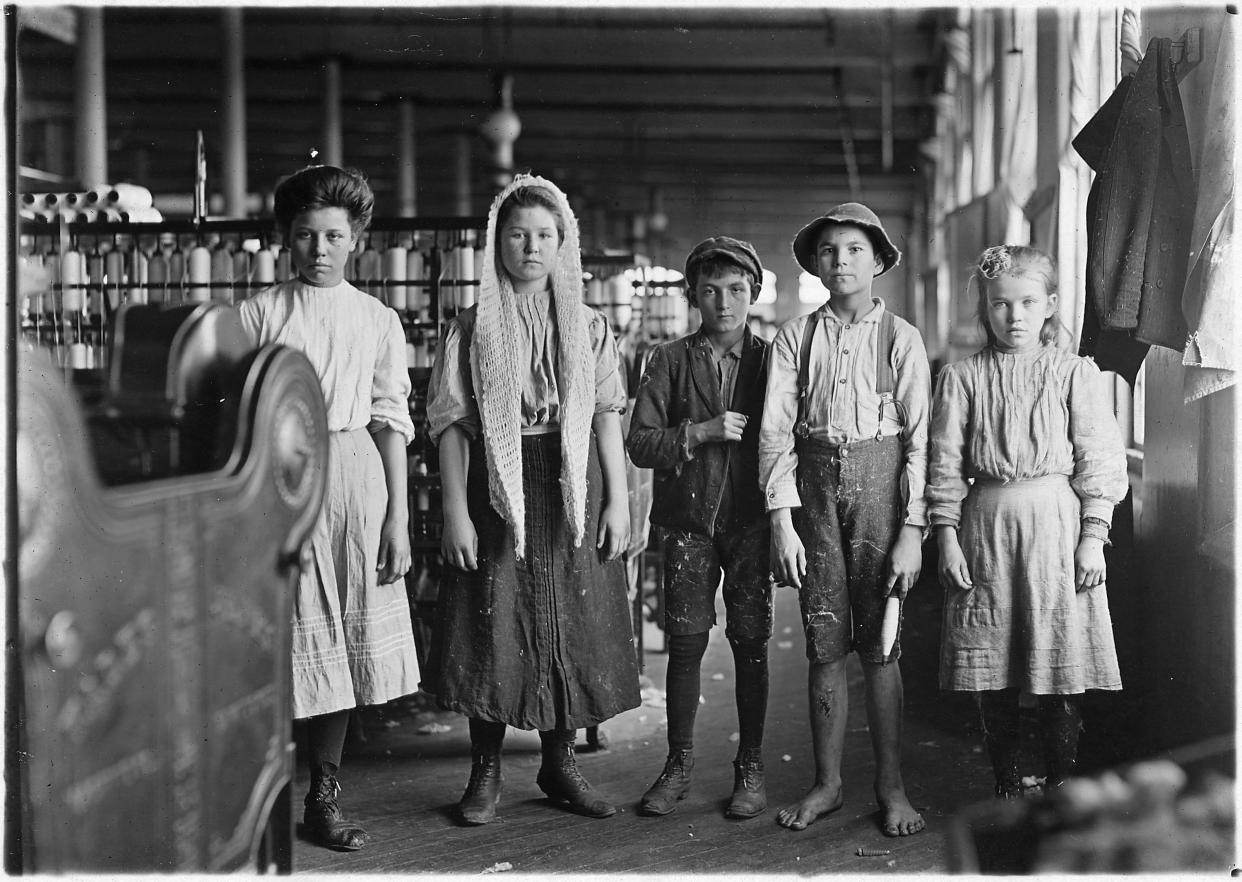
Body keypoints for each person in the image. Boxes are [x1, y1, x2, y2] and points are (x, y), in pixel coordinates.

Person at [426, 173, 640, 826]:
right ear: (497, 243)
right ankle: (485, 770)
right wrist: (458, 511)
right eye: (517, 234)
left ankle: (560, 762)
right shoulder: (472, 326)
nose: (531, 246)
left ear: (563, 241)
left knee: (567, 621)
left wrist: (619, 500)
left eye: (545, 235)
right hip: (498, 482)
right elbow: (451, 426)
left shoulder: (587, 324)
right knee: (494, 617)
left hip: (571, 479)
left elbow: (607, 415)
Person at [237, 165, 419, 851]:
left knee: (338, 637)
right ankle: (255, 795)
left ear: (357, 241)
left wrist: (396, 517)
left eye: (334, 236)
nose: (320, 248)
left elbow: (391, 421)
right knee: (280, 632)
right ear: (286, 238)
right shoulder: (257, 313)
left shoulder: (376, 319)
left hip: (352, 481)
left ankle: (324, 796)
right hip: (274, 474)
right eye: (306, 235)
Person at [929, 245, 1128, 799]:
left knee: (1059, 664)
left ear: (1049, 306)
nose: (1014, 316)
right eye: (1000, 304)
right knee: (992, 669)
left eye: (1027, 302)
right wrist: (946, 538)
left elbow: (1101, 459)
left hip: (1057, 530)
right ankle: (1008, 787)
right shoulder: (962, 378)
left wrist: (1094, 537)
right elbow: (943, 465)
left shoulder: (1074, 374)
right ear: (984, 309)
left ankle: (1061, 789)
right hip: (986, 530)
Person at [759, 202, 928, 837]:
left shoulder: (901, 338)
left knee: (882, 645)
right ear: (816, 265)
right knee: (824, 642)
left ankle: (891, 785)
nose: (841, 260)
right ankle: (827, 783)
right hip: (814, 490)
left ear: (878, 260)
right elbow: (775, 434)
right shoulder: (795, 338)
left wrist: (913, 529)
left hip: (883, 493)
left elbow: (922, 443)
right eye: (830, 250)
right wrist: (781, 519)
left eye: (855, 249)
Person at [627, 237, 773, 820]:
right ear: (692, 296)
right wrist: (699, 432)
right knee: (685, 644)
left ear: (754, 294)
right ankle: (678, 764)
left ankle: (752, 767)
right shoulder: (667, 359)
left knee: (751, 643)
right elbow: (639, 442)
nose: (724, 303)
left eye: (736, 290)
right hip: (687, 522)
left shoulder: (773, 359)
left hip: (752, 520)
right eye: (710, 291)